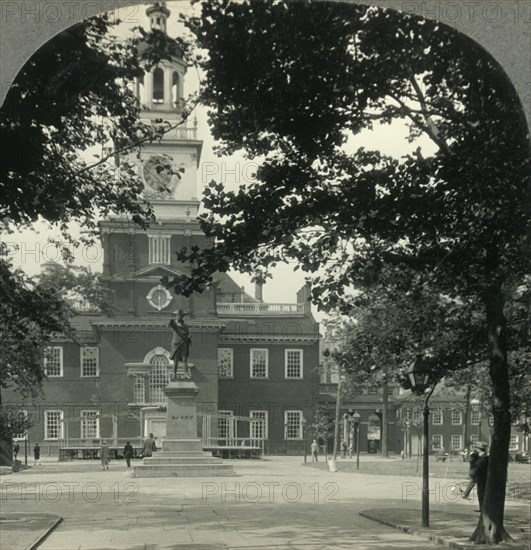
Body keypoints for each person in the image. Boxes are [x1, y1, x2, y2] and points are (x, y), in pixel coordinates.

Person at [462, 441, 488, 509]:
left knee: (478, 487)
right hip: (476, 473)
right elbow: (478, 464)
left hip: (478, 473)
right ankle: (481, 506)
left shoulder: (479, 455)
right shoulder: (475, 455)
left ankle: (465, 494)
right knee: (480, 489)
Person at [169, 309, 192, 377]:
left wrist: (189, 339)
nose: (179, 317)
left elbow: (187, 335)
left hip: (183, 344)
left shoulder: (185, 326)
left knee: (184, 359)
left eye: (180, 315)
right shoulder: (174, 324)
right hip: (176, 344)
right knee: (176, 360)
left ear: (182, 316)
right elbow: (171, 324)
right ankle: (174, 373)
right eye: (178, 315)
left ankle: (186, 373)